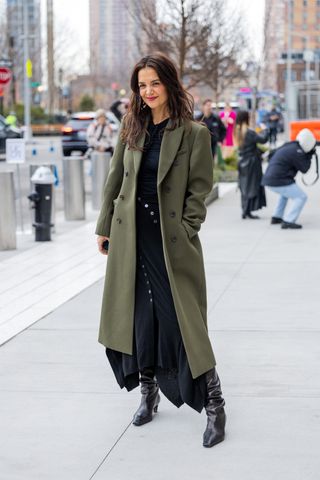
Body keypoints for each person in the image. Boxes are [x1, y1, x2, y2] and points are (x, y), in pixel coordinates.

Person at [95, 53, 226, 448]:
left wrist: (187, 230)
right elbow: (114, 179)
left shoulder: (193, 133)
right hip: (131, 239)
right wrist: (104, 227)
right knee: (140, 318)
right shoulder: (130, 127)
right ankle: (147, 393)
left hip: (171, 243)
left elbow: (199, 189)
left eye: (154, 83)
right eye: (141, 85)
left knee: (182, 322)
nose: (148, 91)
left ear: (169, 83)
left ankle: (216, 404)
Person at [262, 128, 316, 229]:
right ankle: (288, 220)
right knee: (301, 197)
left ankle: (277, 217)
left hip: (270, 178)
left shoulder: (290, 145)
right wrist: (309, 155)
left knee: (285, 194)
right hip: (279, 179)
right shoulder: (298, 151)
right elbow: (305, 169)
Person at [234, 110, 268, 219]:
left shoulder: (237, 131)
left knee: (245, 187)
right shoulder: (248, 132)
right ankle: (247, 211)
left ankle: (245, 211)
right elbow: (263, 139)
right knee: (252, 187)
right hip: (252, 163)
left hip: (242, 162)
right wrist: (265, 129)